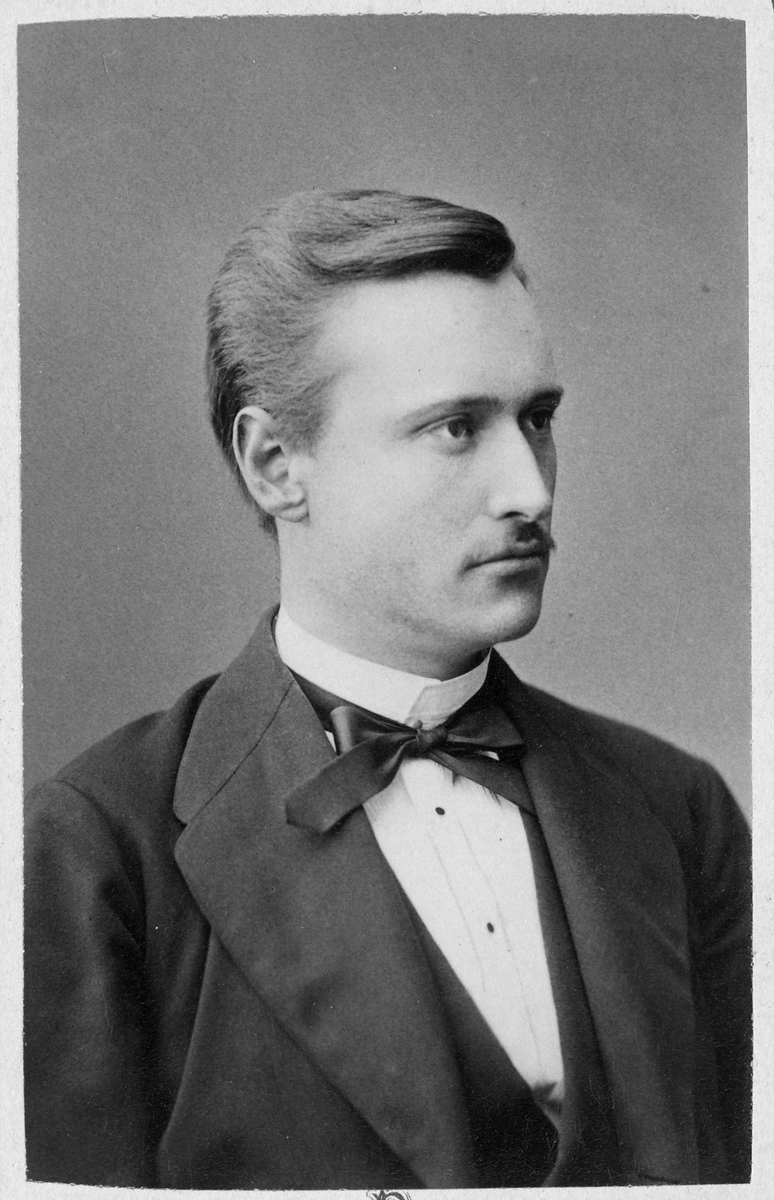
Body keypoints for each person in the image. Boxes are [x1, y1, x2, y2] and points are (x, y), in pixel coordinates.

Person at [24, 190, 751, 1189]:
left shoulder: (679, 810)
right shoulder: (96, 853)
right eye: (456, 427)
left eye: (537, 419)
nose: (532, 491)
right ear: (277, 465)